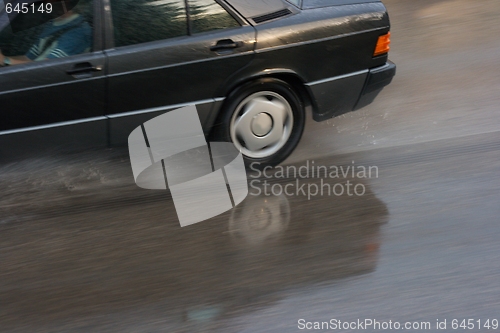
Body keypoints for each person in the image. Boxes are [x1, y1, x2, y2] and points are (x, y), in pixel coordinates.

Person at [0, 0, 91, 67]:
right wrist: (5, 59)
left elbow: (45, 67)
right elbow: (28, 58)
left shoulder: (78, 33)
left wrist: (5, 60)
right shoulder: (53, 23)